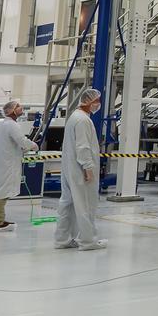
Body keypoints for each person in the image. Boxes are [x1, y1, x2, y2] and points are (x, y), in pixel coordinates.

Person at [55, 89, 106, 251]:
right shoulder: (83, 120)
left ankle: (62, 239)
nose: (98, 104)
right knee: (86, 205)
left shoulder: (74, 117)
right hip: (80, 170)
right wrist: (88, 167)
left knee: (67, 204)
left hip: (70, 169)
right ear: (89, 102)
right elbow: (83, 147)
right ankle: (88, 241)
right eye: (96, 101)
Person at [0, 100, 39, 231]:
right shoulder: (11, 125)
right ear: (11, 110)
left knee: (2, 190)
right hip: (8, 164)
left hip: (5, 162)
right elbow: (22, 140)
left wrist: (23, 148)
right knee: (3, 191)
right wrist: (33, 145)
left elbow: (15, 143)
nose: (20, 108)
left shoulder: (5, 124)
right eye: (17, 107)